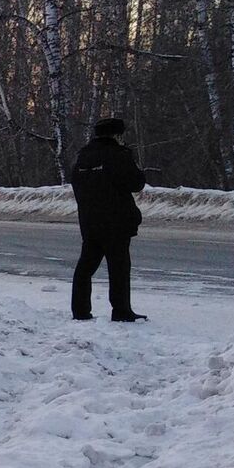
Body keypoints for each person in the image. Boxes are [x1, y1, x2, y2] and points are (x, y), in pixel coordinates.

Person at [69, 117, 148, 322]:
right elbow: (136, 182)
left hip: (90, 220)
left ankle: (80, 310)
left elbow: (76, 183)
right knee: (119, 267)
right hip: (116, 220)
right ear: (117, 135)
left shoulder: (83, 156)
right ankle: (121, 310)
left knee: (86, 266)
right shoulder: (118, 155)